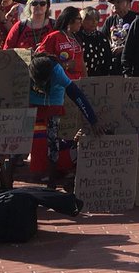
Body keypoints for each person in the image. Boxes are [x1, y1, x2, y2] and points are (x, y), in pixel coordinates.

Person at [27, 52, 99, 185]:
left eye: (45, 82)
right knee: (25, 137)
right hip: (32, 100)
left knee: (53, 140)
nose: (42, 85)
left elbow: (77, 95)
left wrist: (92, 120)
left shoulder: (57, 71)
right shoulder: (25, 66)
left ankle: (52, 180)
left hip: (53, 101)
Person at [38, 7, 86, 81]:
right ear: (70, 20)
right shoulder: (54, 37)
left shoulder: (76, 38)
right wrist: (64, 65)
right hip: (60, 83)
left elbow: (81, 62)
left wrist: (86, 80)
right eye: (79, 19)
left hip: (78, 83)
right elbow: (42, 60)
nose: (81, 22)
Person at [103, 0, 137, 75]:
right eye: (113, 3)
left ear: (128, 3)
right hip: (115, 64)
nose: (115, 5)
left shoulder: (137, 19)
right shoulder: (109, 20)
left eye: (118, 2)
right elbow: (103, 38)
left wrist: (124, 48)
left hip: (132, 63)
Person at [77, 7, 111, 77]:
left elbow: (108, 58)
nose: (94, 22)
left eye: (96, 19)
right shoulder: (76, 37)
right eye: (90, 19)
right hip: (80, 77)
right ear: (82, 20)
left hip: (100, 77)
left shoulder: (102, 37)